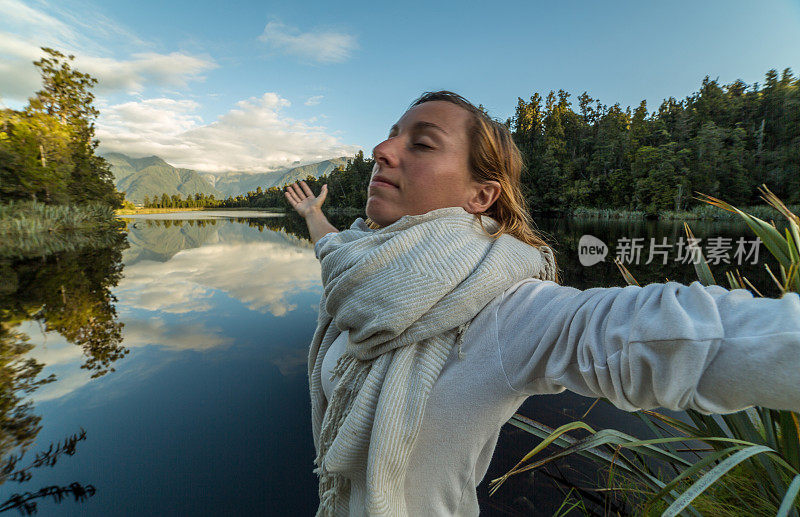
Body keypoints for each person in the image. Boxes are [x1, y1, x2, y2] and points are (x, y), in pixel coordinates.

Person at [284, 91, 800, 516]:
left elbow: (679, 339)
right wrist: (312, 215)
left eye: (420, 144)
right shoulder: (360, 267)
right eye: (392, 134)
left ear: (481, 196)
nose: (383, 149)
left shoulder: (507, 308)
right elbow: (332, 246)